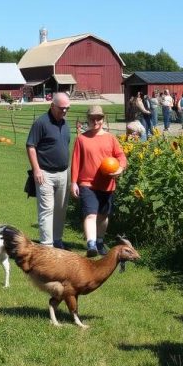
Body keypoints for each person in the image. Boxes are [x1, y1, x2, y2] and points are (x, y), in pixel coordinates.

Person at [71, 106, 128, 257]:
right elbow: (76, 162)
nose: (95, 121)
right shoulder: (81, 139)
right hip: (87, 183)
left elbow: (121, 157)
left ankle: (100, 242)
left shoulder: (111, 138)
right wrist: (73, 182)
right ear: (88, 119)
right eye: (92, 118)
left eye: (98, 118)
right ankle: (91, 244)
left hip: (107, 184)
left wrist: (120, 169)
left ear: (103, 119)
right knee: (90, 214)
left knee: (103, 215)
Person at [26, 92, 71, 248]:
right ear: (52, 106)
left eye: (67, 108)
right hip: (44, 173)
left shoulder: (65, 124)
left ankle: (57, 239)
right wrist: (36, 170)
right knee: (47, 209)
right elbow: (31, 146)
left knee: (60, 209)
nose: (64, 111)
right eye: (61, 108)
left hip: (63, 173)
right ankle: (47, 245)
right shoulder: (41, 123)